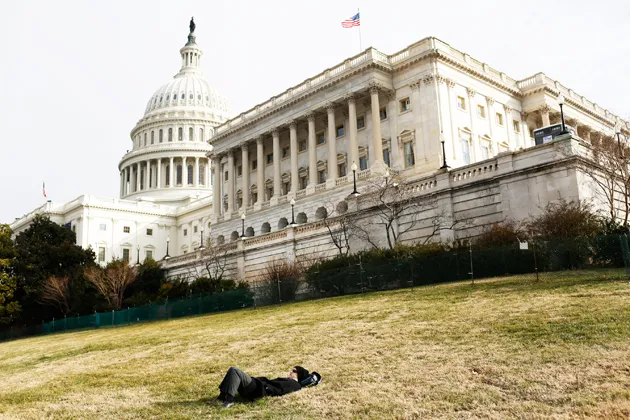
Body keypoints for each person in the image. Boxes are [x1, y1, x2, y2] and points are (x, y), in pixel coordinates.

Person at [210, 365, 310, 409]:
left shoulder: (295, 384)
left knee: (234, 370)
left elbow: (281, 390)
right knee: (232, 372)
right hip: (257, 385)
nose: (290, 372)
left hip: (257, 388)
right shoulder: (289, 381)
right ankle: (222, 396)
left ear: (299, 375)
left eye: (294, 371)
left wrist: (268, 389)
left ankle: (230, 400)